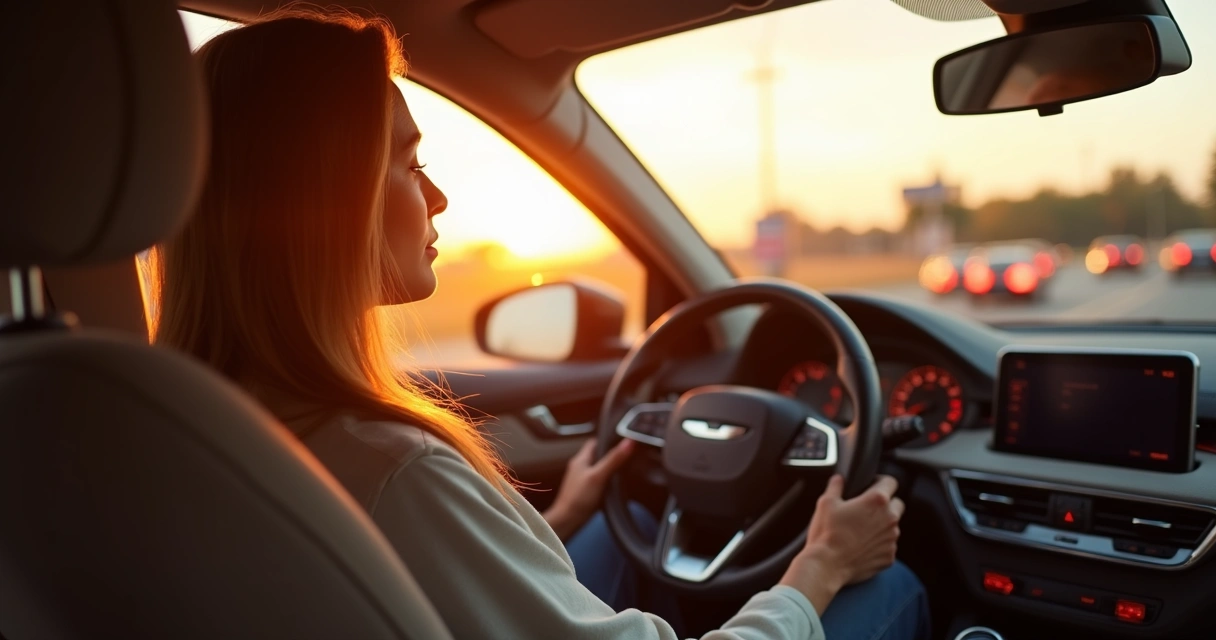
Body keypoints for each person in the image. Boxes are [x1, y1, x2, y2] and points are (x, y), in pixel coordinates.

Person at [154, 8, 929, 639]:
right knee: (888, 587)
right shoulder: (394, 471)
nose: (438, 200)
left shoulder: (174, 429)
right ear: (325, 202)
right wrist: (820, 564)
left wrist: (556, 518)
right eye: (407, 163)